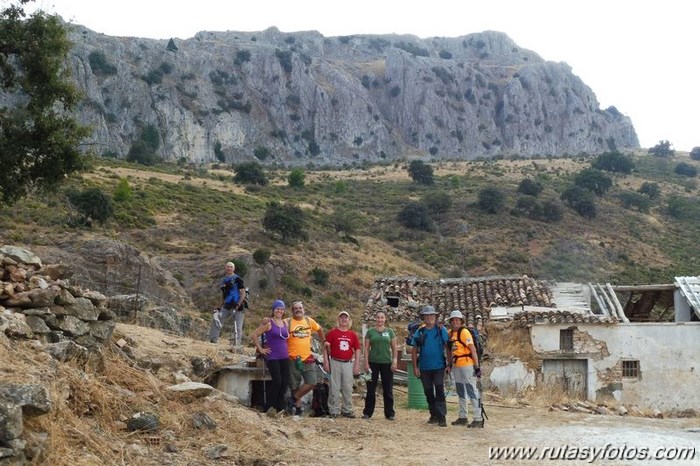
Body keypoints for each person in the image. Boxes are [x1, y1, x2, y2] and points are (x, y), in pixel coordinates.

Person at [411, 305, 451, 427]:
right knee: (428, 392)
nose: (429, 318)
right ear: (423, 317)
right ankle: (433, 415)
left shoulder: (441, 330)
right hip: (424, 367)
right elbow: (414, 350)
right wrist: (415, 367)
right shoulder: (420, 331)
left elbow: (447, 347)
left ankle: (442, 417)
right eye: (427, 316)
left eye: (431, 315)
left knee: (439, 390)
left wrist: (449, 364)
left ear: (435, 316)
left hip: (439, 366)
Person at [286, 301, 325, 417]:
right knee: (294, 385)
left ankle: (293, 399)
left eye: (300, 308)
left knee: (312, 382)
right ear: (292, 311)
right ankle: (297, 409)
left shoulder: (309, 321)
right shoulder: (287, 322)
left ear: (303, 309)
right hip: (292, 358)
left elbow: (320, 329)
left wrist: (324, 341)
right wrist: (266, 321)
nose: (298, 310)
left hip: (307, 358)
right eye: (295, 308)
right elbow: (276, 324)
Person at [251, 300, 290, 416]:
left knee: (285, 382)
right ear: (273, 310)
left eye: (282, 309)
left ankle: (279, 406)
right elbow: (254, 335)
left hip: (284, 356)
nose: (279, 311)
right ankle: (269, 406)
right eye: (277, 308)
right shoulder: (269, 323)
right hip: (273, 356)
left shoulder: (285, 323)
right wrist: (261, 349)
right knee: (277, 381)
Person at [447, 310, 483, 428]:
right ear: (451, 322)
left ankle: (478, 418)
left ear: (461, 321)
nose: (455, 322)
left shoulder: (464, 332)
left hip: (467, 365)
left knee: (471, 390)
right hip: (457, 365)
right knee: (460, 390)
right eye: (453, 320)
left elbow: (472, 349)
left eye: (457, 320)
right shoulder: (451, 333)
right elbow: (449, 348)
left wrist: (477, 367)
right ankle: (463, 416)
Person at [323, 310, 361, 418]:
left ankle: (347, 409)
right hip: (335, 362)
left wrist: (357, 363)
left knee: (348, 387)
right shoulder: (332, 333)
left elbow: (357, 349)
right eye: (341, 318)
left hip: (348, 363)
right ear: (338, 319)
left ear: (349, 320)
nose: (344, 320)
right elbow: (325, 348)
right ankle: (334, 410)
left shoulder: (352, 335)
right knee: (334, 387)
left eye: (346, 318)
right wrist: (326, 362)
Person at [362, 310, 397, 420]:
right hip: (373, 363)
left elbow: (394, 348)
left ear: (385, 319)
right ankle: (367, 413)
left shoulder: (390, 332)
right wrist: (366, 363)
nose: (380, 319)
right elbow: (366, 349)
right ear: (375, 319)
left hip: (387, 363)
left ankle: (390, 413)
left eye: (382, 317)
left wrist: (395, 360)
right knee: (371, 389)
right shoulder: (370, 332)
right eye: (378, 317)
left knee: (388, 389)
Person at [209, 262, 247, 347]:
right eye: (228, 267)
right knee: (217, 320)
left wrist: (238, 304)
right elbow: (223, 295)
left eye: (231, 267)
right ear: (225, 268)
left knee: (237, 327)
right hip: (226, 305)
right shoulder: (224, 281)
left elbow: (243, 294)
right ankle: (213, 341)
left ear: (234, 269)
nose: (229, 268)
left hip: (238, 306)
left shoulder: (238, 279)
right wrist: (219, 307)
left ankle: (236, 345)